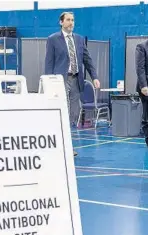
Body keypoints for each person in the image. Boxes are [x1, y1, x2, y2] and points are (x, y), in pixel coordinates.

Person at [44, 11, 100, 157]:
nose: (71, 22)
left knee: (74, 113)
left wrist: (94, 77)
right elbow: (49, 62)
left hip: (76, 80)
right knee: (63, 111)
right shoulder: (53, 39)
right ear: (61, 22)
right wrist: (48, 82)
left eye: (73, 20)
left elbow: (87, 60)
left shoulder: (80, 39)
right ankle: (61, 145)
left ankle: (67, 144)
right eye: (68, 20)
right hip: (60, 80)